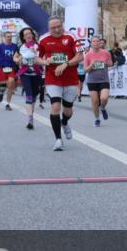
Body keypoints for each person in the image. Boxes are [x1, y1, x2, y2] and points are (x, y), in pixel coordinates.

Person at [37, 17, 82, 151]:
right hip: (53, 78)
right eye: (53, 28)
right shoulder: (43, 39)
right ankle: (58, 139)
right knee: (55, 107)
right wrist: (45, 62)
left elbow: (80, 56)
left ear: (62, 25)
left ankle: (65, 122)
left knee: (68, 110)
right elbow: (36, 57)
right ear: (48, 28)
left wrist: (66, 64)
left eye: (59, 26)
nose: (57, 29)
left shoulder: (71, 36)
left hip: (70, 78)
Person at [15, 27, 43, 130]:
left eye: (29, 33)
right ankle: (30, 119)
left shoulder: (39, 46)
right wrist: (18, 60)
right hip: (25, 73)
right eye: (26, 34)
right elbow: (15, 57)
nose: (28, 35)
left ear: (32, 34)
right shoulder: (20, 47)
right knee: (29, 95)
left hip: (37, 73)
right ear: (23, 37)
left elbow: (43, 57)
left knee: (34, 96)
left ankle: (31, 115)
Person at [83, 35, 113, 127]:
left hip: (104, 79)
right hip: (92, 81)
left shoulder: (106, 53)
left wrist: (105, 63)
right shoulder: (88, 55)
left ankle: (103, 108)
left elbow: (111, 63)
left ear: (100, 43)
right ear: (91, 43)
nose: (96, 43)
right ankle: (97, 119)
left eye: (97, 41)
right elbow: (85, 70)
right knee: (95, 101)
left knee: (104, 98)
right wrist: (92, 65)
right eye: (94, 41)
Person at [0, 30, 19, 111]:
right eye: (8, 37)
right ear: (4, 37)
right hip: (2, 68)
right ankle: (1, 93)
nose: (9, 38)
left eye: (10, 36)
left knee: (11, 83)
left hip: (11, 67)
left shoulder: (15, 46)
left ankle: (7, 104)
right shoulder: (0, 46)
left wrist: (18, 61)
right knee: (3, 85)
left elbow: (18, 55)